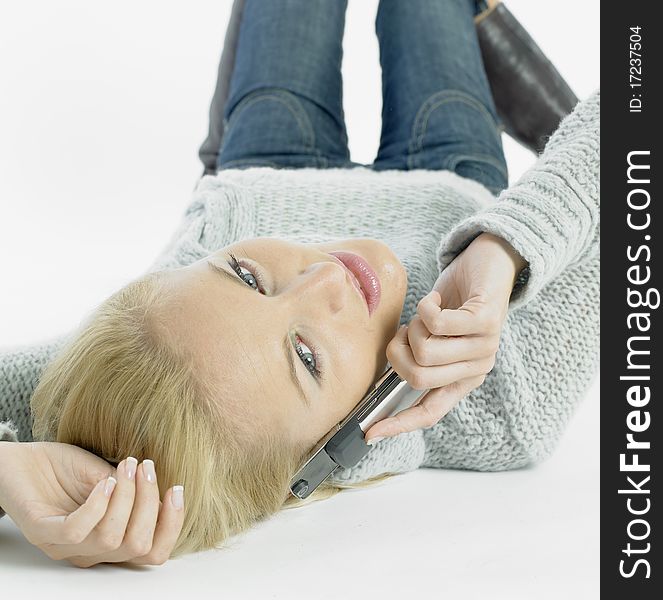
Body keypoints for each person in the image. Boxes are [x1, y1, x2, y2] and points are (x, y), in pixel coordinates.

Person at [0, 0, 600, 568]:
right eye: (306, 356)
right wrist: (508, 241)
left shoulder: (155, 363)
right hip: (449, 176)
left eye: (246, 276)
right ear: (326, 458)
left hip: (265, 168)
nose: (324, 279)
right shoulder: (511, 402)